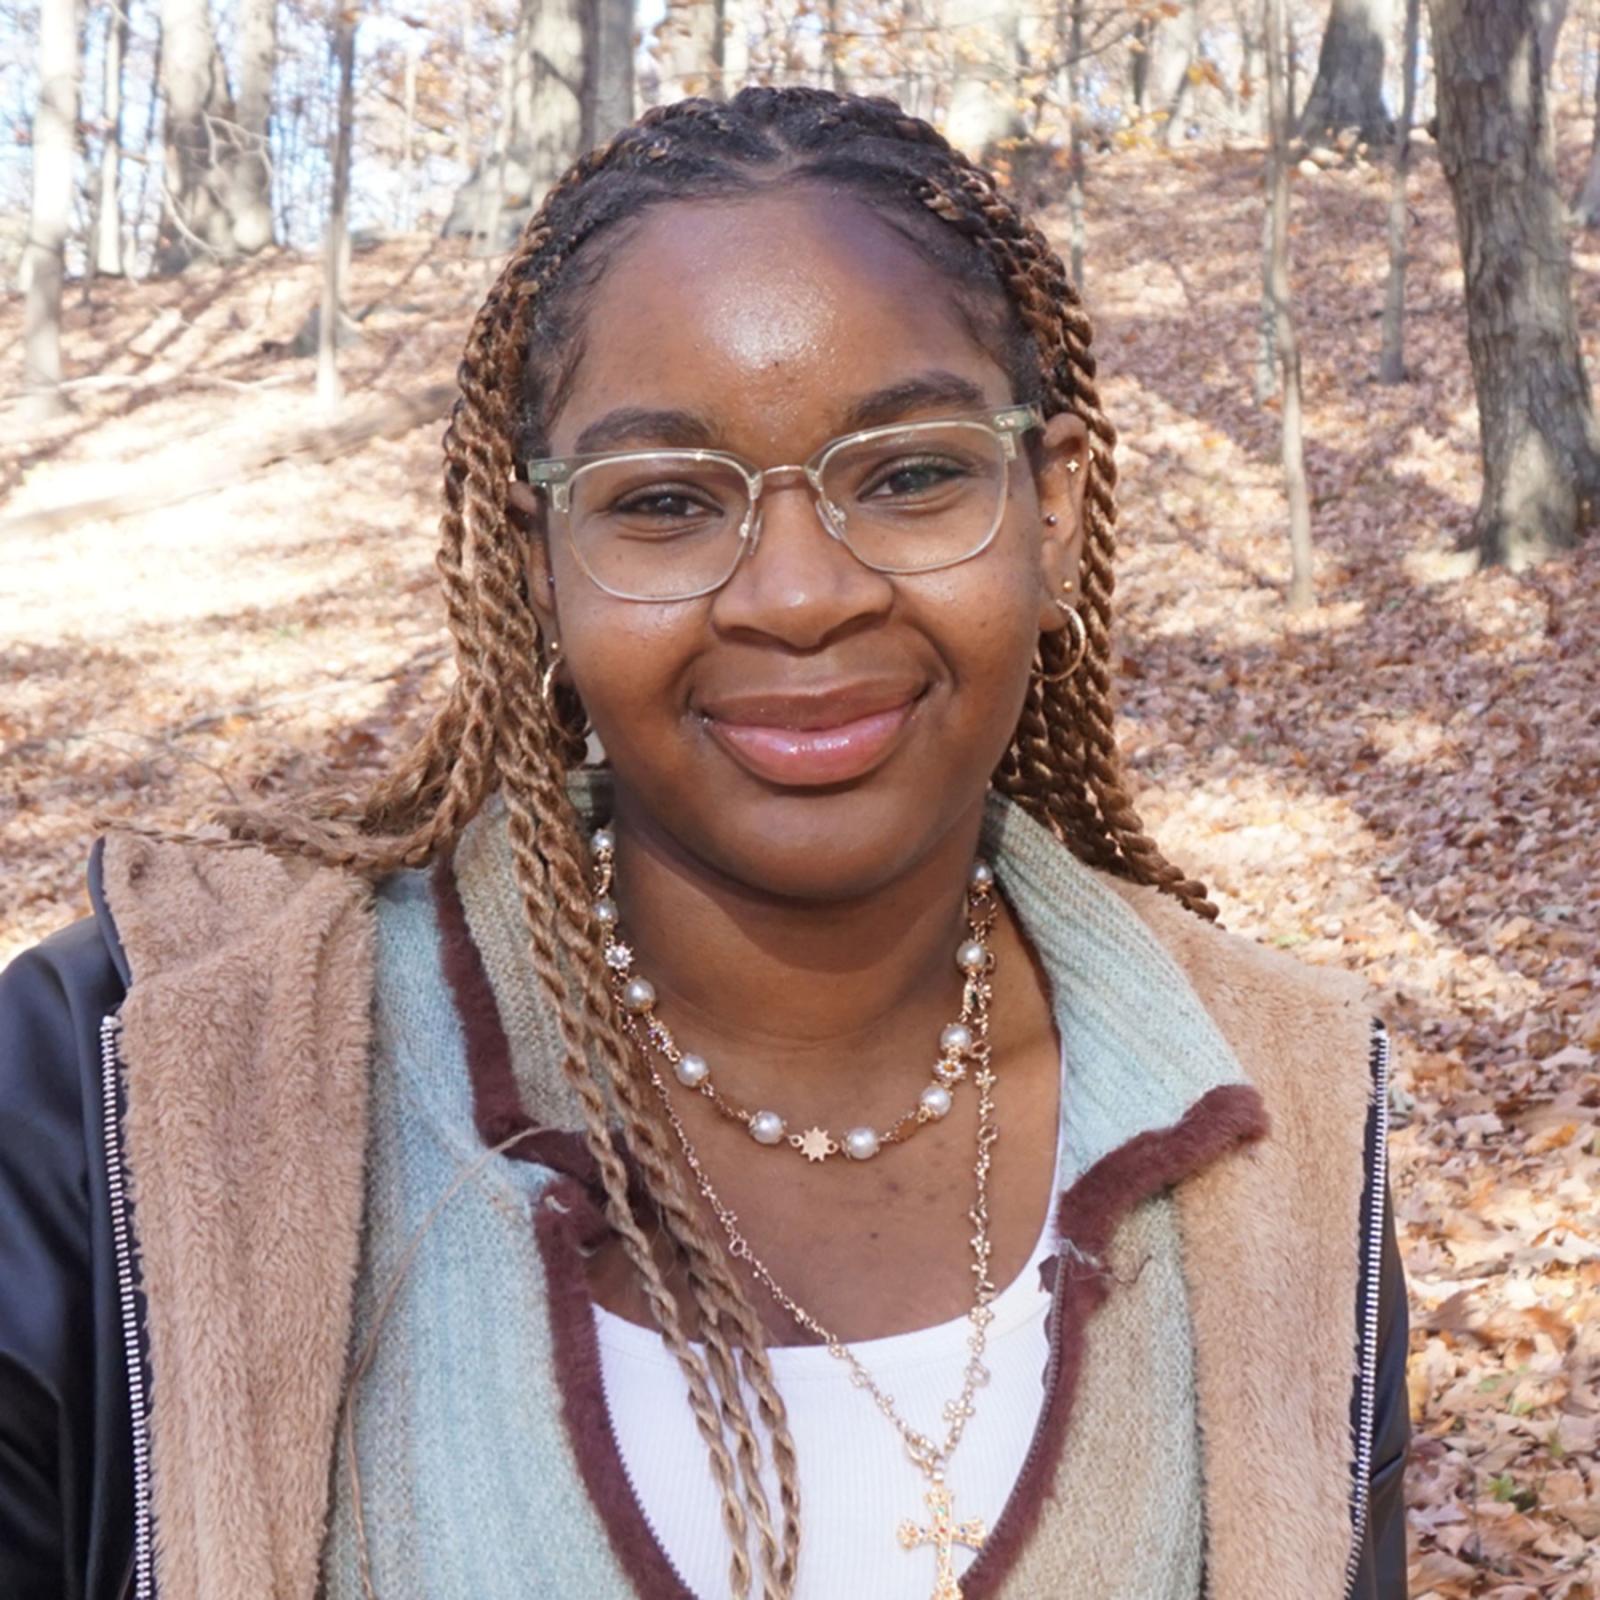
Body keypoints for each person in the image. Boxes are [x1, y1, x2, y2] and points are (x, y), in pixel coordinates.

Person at [0, 85, 1409, 1600]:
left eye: (913, 474)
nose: (800, 595)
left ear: (1052, 508)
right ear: (539, 563)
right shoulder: (137, 1085)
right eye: (667, 502)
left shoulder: (1279, 1122)